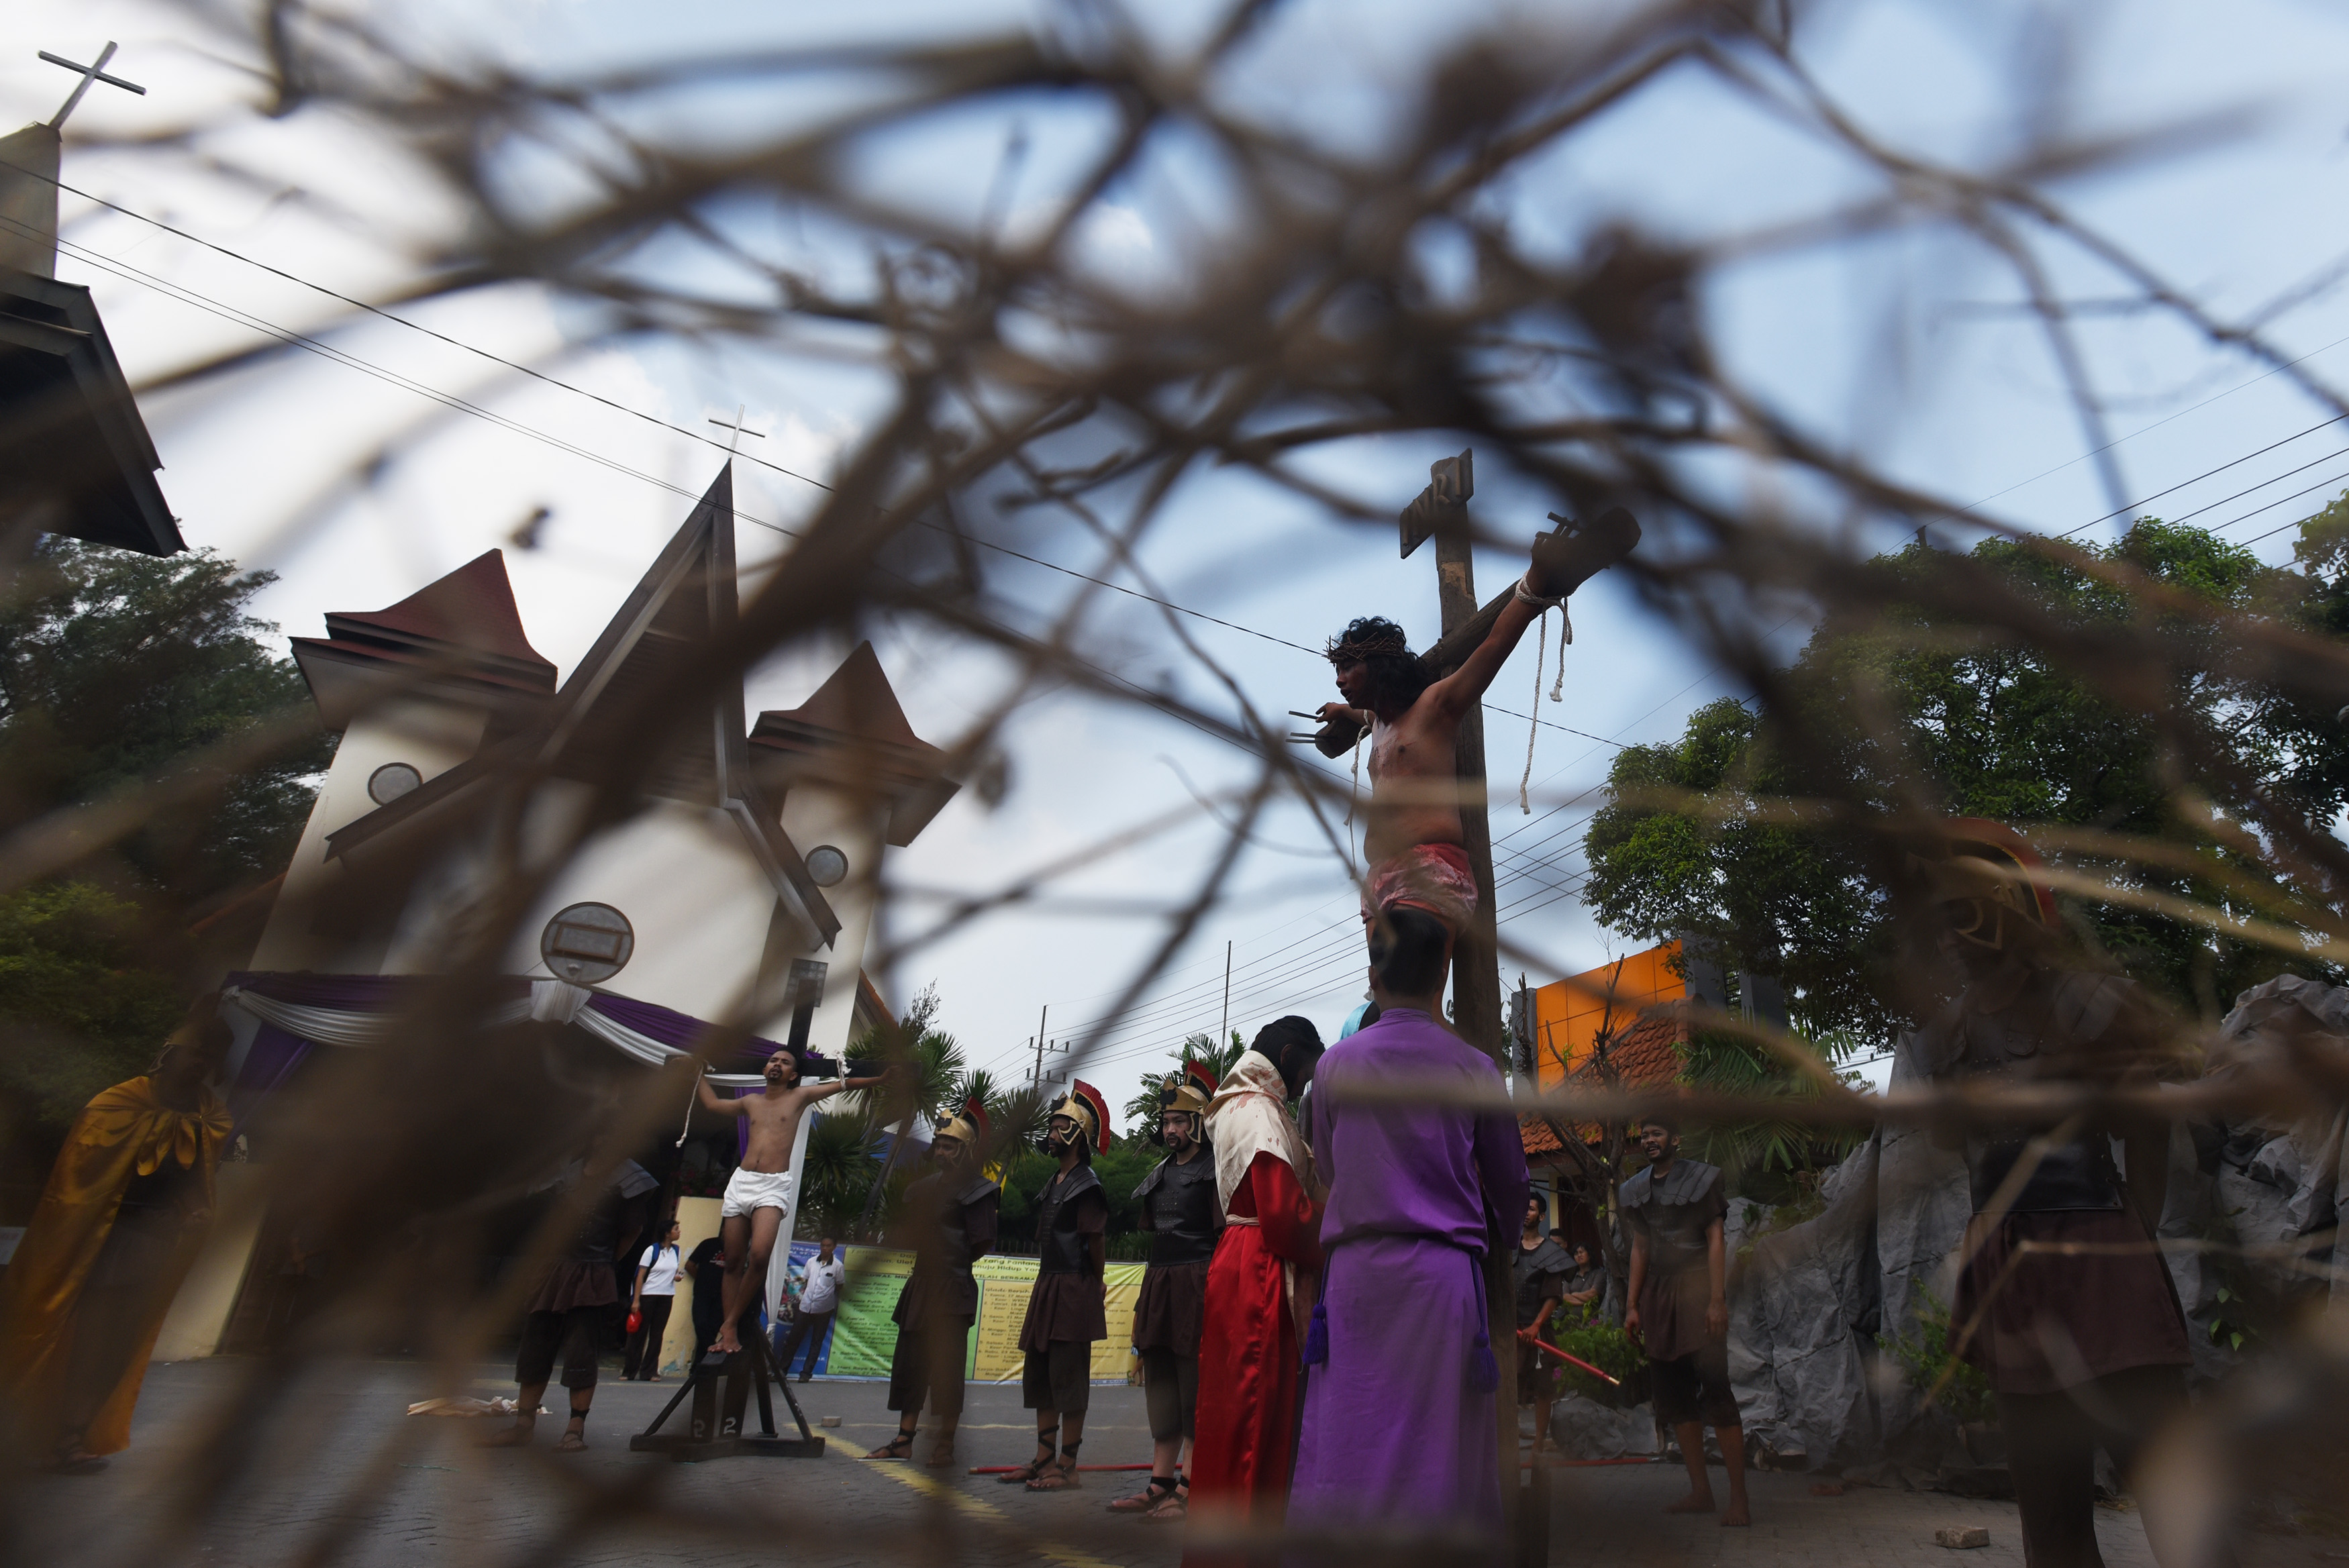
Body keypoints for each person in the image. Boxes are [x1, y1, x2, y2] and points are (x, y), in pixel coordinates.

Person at [1912, 839, 2193, 1568]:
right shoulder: (1945, 1034)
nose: (1946, 937)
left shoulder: (2088, 1003)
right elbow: (1953, 1144)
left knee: (2170, 1491)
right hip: (2012, 1269)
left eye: (1960, 916)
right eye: (1938, 923)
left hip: (2100, 1254)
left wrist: (2134, 1230)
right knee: (2050, 1512)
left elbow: (2148, 1126)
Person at [1287, 904, 1530, 1555]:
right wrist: (1505, 1236)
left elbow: (1331, 1167)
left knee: (1349, 1438)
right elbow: (1510, 1183)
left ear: (1374, 973)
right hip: (1441, 1283)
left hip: (1357, 1282)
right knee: (1440, 1447)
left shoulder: (1333, 1067)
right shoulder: (1474, 1068)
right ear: (1441, 975)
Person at [1315, 511, 1637, 943]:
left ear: (1378, 667)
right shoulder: (1378, 723)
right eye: (1337, 671)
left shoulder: (1436, 707)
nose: (1340, 679)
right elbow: (1365, 717)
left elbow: (1494, 645)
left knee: (1412, 979)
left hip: (1429, 867)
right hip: (1379, 879)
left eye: (1348, 668)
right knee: (1383, 982)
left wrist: (1536, 578)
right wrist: (1341, 710)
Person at [0, 1006, 234, 1471]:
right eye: (195, 1052)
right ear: (170, 1052)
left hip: (152, 1242)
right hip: (94, 1238)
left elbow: (197, 1181)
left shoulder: (209, 1116)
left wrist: (196, 1210)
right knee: (67, 1330)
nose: (200, 1063)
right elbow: (79, 1179)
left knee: (114, 1344)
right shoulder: (118, 1103)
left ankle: (73, 1434)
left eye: (210, 1057)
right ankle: (33, 1430)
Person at [1185, 1018, 1325, 1567]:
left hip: (1235, 1258)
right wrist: (1345, 1218)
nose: (1305, 1083)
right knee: (1254, 1418)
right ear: (1287, 1056)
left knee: (1226, 1415)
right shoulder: (1262, 1112)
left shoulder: (1235, 1103)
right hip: (1261, 1269)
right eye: (1305, 1070)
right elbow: (1286, 1217)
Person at [697, 1048, 894, 1356]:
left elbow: (843, 1085)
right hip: (742, 1182)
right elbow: (712, 1104)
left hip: (772, 1186)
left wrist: (880, 1079)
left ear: (794, 1075)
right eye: (773, 1060)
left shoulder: (799, 1096)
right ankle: (729, 1329)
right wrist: (697, 1074)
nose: (777, 1064)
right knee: (732, 1260)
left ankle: (731, 1322)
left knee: (759, 1256)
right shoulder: (751, 1101)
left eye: (785, 1062)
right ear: (765, 1069)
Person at [483, 1137, 659, 1452]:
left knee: (581, 1350)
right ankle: (523, 1425)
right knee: (535, 1346)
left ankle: (574, 1429)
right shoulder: (567, 1171)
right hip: (554, 1268)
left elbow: (633, 1230)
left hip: (592, 1270)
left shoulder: (627, 1176)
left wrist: (605, 1264)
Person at [1621, 1116, 1749, 1526]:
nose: (1649, 1140)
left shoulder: (1702, 1180)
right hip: (1658, 1296)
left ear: (1675, 1139)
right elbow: (1641, 1248)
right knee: (1674, 1397)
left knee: (1717, 1392)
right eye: (1644, 1135)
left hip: (1697, 1290)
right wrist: (1632, 1306)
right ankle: (1700, 1492)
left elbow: (1716, 1239)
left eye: (1657, 1134)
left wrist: (1716, 1300)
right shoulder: (1637, 1188)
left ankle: (1739, 1500)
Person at [867, 1099, 999, 1467]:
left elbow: (981, 1242)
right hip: (921, 1285)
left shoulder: (979, 1191)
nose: (941, 1151)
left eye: (949, 1146)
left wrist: (951, 1266)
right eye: (939, 1145)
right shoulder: (922, 1188)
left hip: (953, 1288)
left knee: (947, 1370)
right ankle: (903, 1439)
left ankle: (945, 1444)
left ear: (965, 1149)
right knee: (910, 1365)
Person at [1112, 1074, 1220, 1522]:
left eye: (1179, 1121)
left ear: (1197, 1123)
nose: (1170, 1129)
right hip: (1159, 1283)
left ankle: (1190, 1485)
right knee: (1160, 1384)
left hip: (1198, 1283)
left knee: (1192, 1386)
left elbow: (1224, 1237)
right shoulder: (1157, 1175)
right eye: (1166, 1121)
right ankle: (1160, 1482)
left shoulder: (1216, 1171)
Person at [999, 1083, 1112, 1492]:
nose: (1051, 1133)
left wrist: (1096, 1284)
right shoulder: (1056, 1181)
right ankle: (1043, 1459)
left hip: (1074, 1287)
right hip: (1048, 1284)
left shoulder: (1087, 1184)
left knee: (1069, 1380)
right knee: (1042, 1375)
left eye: (1061, 1127)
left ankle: (1067, 1467)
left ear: (1079, 1136)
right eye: (1051, 1126)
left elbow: (1095, 1241)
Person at [1513, 1192, 1571, 1455]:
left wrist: (1536, 1325)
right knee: (1506, 1388)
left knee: (1544, 1390)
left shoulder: (1551, 1253)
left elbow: (1553, 1295)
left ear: (1542, 1216)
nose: (1526, 1212)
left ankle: (1538, 1442)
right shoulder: (1508, 1247)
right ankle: (1506, 1442)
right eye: (1523, 1207)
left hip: (1538, 1331)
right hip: (1510, 1331)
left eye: (1532, 1208)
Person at [778, 1235, 847, 1381]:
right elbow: (806, 1280)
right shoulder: (811, 1262)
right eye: (823, 1245)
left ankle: (806, 1374)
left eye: (828, 1246)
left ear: (834, 1247)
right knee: (793, 1340)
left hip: (824, 1309)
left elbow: (839, 1286)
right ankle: (782, 1371)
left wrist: (826, 1297)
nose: (825, 1248)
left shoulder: (838, 1266)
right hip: (805, 1306)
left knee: (816, 1342)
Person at [623, 1219, 683, 1380]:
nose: (679, 1232)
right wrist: (636, 1300)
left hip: (666, 1296)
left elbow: (674, 1271)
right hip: (648, 1295)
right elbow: (640, 1276)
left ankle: (649, 1371)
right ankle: (629, 1370)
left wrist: (676, 1277)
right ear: (667, 1233)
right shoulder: (652, 1250)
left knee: (657, 1335)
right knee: (639, 1334)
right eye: (676, 1229)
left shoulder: (676, 1251)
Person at [684, 1236, 727, 1369]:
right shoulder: (709, 1244)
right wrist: (702, 1280)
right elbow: (689, 1265)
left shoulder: (736, 1247)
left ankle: (700, 1367)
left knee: (713, 1328)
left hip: (722, 1295)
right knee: (701, 1323)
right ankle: (713, 1352)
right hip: (703, 1292)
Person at [1560, 1242, 1604, 1315]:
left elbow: (1593, 1295)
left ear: (1589, 1255)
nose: (1579, 1255)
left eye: (1581, 1252)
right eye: (1576, 1253)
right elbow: (1564, 1297)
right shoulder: (1571, 1276)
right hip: (1571, 1320)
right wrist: (1585, 1303)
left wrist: (1574, 1294)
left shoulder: (1598, 1273)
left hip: (1593, 1319)